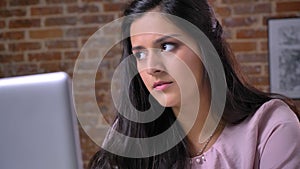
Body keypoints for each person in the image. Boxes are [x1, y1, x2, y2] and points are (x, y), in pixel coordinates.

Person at [88, 0, 300, 168]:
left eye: (167, 46)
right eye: (141, 54)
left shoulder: (271, 127)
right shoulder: (130, 134)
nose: (152, 67)